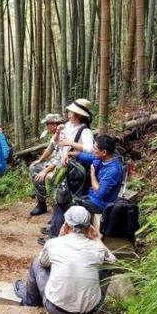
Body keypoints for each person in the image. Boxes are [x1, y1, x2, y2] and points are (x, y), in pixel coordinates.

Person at [15, 206, 116, 314]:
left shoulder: (53, 244)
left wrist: (59, 237)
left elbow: (44, 263)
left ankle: (29, 302)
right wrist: (97, 239)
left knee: (38, 261)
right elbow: (115, 263)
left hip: (57, 311)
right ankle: (87, 300)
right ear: (89, 227)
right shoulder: (98, 248)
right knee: (106, 268)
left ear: (66, 225)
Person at [41, 99, 95, 243]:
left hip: (75, 170)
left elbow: (90, 149)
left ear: (78, 115)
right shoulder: (67, 126)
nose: (69, 114)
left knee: (63, 201)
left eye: (71, 112)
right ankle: (57, 233)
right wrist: (58, 134)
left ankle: (54, 237)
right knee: (61, 200)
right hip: (65, 167)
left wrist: (70, 144)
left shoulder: (85, 131)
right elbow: (57, 143)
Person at [64, 135, 123, 215]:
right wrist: (70, 154)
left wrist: (92, 174)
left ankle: (58, 225)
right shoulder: (104, 158)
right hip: (91, 194)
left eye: (95, 148)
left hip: (100, 203)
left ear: (104, 152)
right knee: (66, 194)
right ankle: (56, 224)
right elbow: (88, 157)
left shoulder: (113, 170)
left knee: (70, 204)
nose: (93, 150)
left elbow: (99, 192)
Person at [28, 114, 65, 216]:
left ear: (54, 124)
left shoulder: (64, 135)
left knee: (39, 173)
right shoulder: (55, 135)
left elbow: (59, 159)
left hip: (61, 167)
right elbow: (50, 149)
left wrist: (45, 171)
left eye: (47, 124)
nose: (46, 127)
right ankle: (40, 200)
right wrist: (40, 160)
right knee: (33, 167)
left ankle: (42, 203)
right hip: (53, 164)